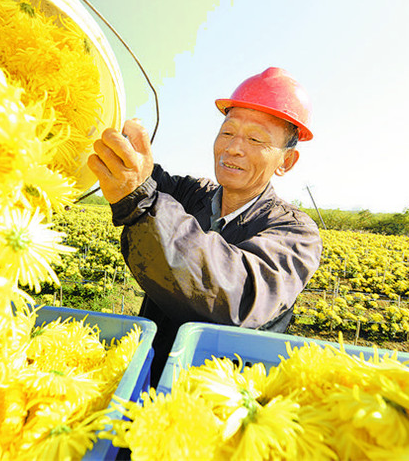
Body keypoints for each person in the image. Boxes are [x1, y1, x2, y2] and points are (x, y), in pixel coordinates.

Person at [87, 67, 323, 386]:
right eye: (228, 132)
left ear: (287, 161)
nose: (234, 148)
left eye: (255, 139)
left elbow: (235, 294)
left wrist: (141, 200)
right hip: (147, 377)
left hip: (217, 406)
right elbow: (142, 174)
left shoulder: (295, 233)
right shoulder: (189, 195)